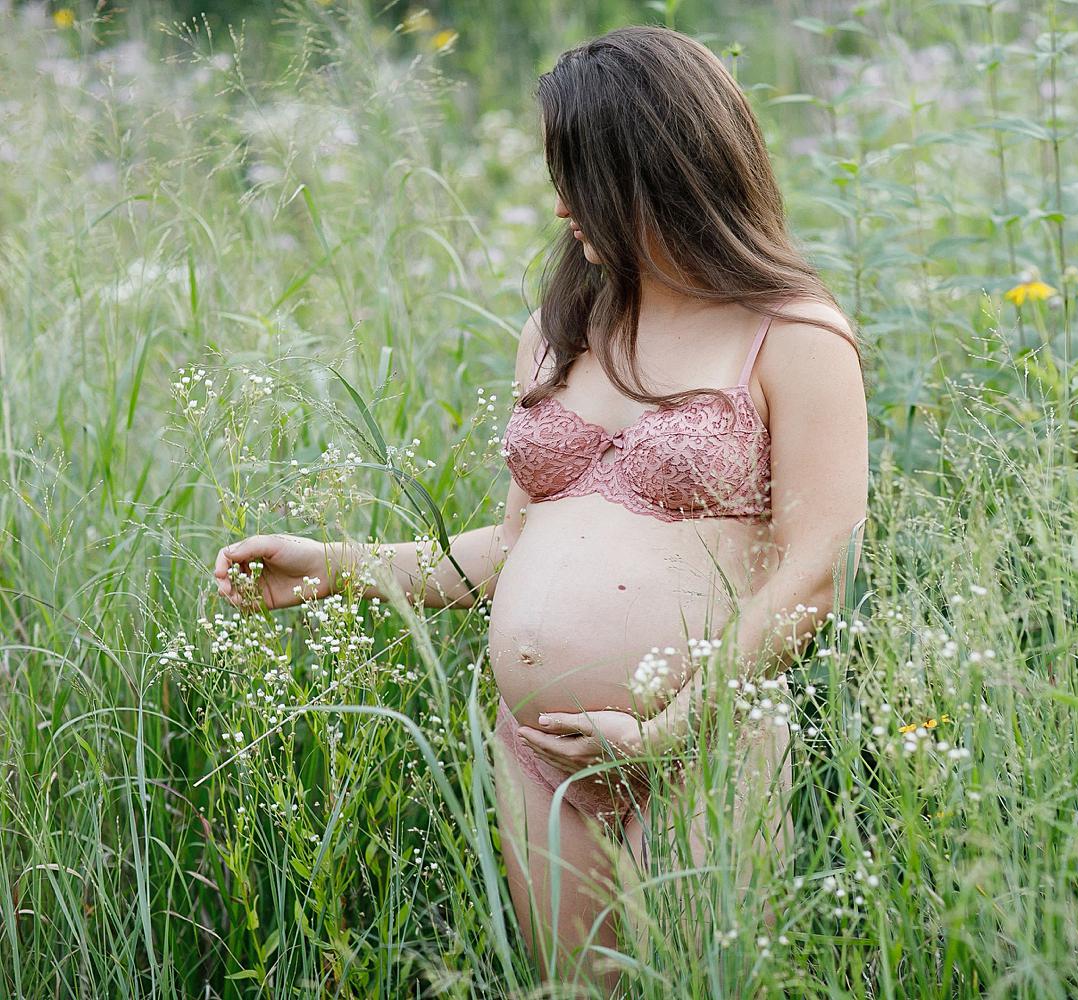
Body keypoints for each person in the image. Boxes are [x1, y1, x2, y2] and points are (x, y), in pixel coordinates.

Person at [211, 24, 867, 994]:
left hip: (707, 743)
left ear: (661, 170)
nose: (562, 203)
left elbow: (816, 570)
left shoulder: (794, 333)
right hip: (541, 758)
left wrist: (675, 724)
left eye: (582, 173)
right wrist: (334, 564)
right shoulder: (561, 332)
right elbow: (517, 545)